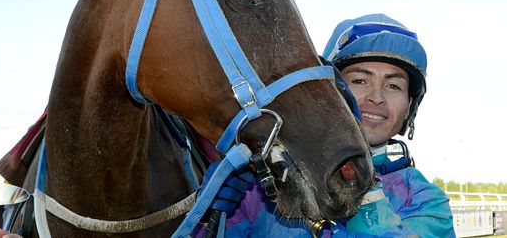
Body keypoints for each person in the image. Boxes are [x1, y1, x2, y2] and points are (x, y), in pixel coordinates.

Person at [195, 13, 455, 237]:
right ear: (330, 94)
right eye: (360, 81)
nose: (376, 97)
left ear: (409, 107)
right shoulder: (261, 189)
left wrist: (360, 183)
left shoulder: (427, 202)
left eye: (393, 86)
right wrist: (205, 220)